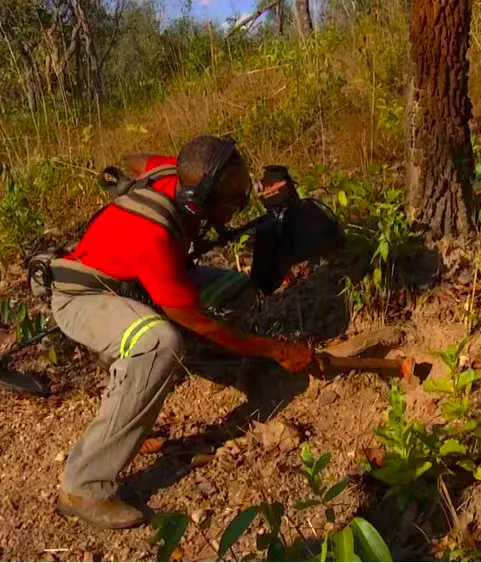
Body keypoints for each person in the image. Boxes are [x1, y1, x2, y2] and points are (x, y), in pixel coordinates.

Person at [48, 135, 316, 529]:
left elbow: (137, 157)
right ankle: (83, 486)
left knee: (236, 291)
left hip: (138, 283)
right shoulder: (153, 237)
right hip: (84, 295)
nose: (240, 203)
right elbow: (195, 318)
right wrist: (274, 349)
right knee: (159, 343)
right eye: (232, 199)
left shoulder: (174, 171)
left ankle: (193, 365)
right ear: (198, 198)